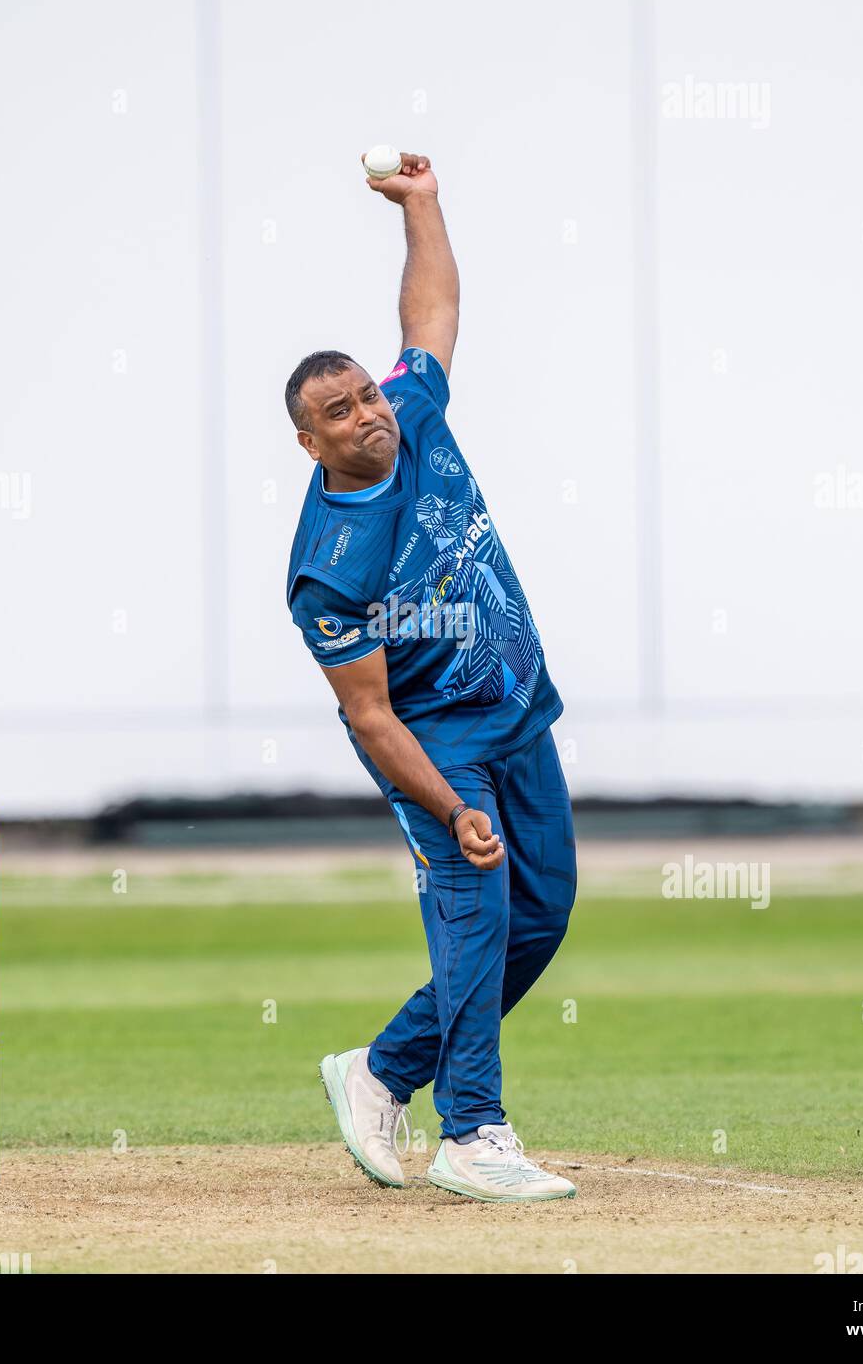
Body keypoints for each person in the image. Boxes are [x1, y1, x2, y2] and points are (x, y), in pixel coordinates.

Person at [284, 152, 578, 1203]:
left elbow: (433, 309)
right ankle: (473, 1133)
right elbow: (367, 717)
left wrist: (422, 206)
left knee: (544, 911)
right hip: (435, 740)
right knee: (478, 908)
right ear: (307, 438)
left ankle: (380, 1069)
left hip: (516, 713)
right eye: (343, 409)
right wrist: (450, 806)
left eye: (368, 392)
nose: (370, 411)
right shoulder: (327, 565)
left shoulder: (414, 411)